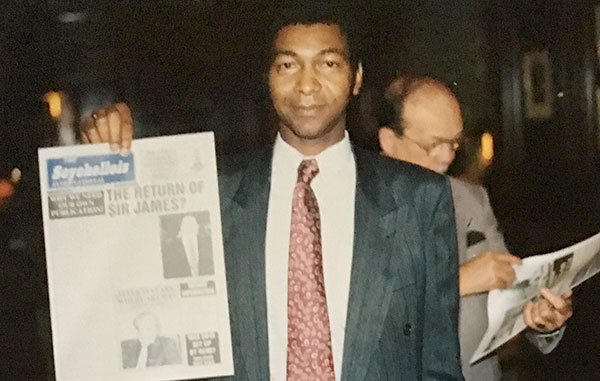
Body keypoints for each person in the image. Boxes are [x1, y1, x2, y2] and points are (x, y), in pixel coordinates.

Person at [81, 7, 462, 380]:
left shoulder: (420, 200)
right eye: (288, 65)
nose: (307, 85)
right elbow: (118, 284)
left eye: (328, 64)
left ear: (356, 77)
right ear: (267, 77)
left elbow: (439, 364)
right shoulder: (209, 195)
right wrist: (108, 156)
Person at [377, 75, 573, 380]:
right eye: (433, 144)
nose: (446, 158)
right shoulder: (354, 206)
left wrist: (543, 318)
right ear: (389, 141)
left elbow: (513, 294)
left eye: (454, 142)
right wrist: (459, 283)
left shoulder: (471, 199)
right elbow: (359, 317)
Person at [161, 213, 214, 278]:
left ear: (197, 227)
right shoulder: (170, 247)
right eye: (187, 226)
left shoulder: (207, 243)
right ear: (181, 228)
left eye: (193, 225)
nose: (190, 228)